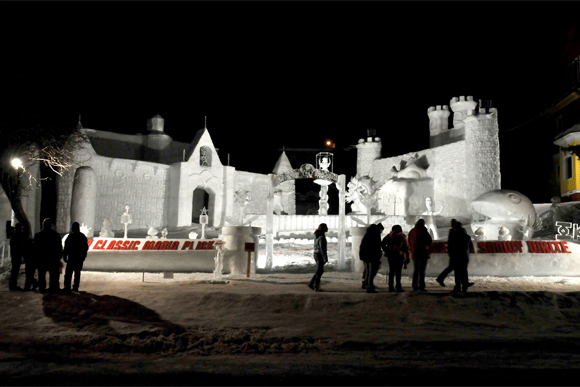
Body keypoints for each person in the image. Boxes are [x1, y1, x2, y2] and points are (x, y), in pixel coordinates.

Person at [34, 218, 63, 294]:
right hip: (52, 258)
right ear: (51, 225)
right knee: (53, 275)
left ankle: (42, 288)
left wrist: (36, 257)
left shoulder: (38, 235)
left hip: (42, 258)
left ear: (43, 225)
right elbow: (59, 247)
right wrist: (59, 257)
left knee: (41, 275)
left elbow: (35, 247)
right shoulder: (55, 235)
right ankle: (53, 288)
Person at [381, 225, 410, 292]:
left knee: (391, 271)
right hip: (400, 255)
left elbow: (383, 243)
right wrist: (407, 257)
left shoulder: (389, 236)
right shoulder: (402, 236)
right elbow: (407, 247)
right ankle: (398, 286)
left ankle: (391, 287)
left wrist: (387, 250)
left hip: (391, 255)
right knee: (398, 272)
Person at [63, 222, 89, 293]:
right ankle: (75, 287)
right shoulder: (82, 236)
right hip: (79, 258)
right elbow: (85, 248)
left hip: (71, 257)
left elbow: (66, 247)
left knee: (68, 273)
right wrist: (83, 257)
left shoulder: (70, 236)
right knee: (77, 273)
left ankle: (67, 287)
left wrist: (65, 256)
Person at [448, 221, 473, 293]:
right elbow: (470, 248)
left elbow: (452, 247)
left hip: (456, 256)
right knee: (464, 271)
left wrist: (451, 255)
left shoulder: (454, 236)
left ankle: (458, 287)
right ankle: (465, 286)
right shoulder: (467, 236)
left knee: (457, 272)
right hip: (465, 257)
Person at [408, 218, 433, 292]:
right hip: (423, 252)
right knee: (422, 270)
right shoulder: (423, 231)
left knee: (416, 270)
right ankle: (421, 286)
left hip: (414, 253)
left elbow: (409, 241)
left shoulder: (412, 231)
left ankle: (414, 285)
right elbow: (429, 240)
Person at [359, 223, 384, 293]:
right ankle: (369, 287)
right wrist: (378, 255)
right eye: (381, 230)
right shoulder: (376, 234)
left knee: (367, 271)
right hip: (372, 256)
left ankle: (366, 284)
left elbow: (362, 246)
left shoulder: (367, 234)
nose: (381, 232)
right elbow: (377, 246)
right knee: (371, 272)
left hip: (365, 255)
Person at [436, 219, 457, 287]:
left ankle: (440, 278)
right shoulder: (453, 232)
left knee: (452, 267)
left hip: (452, 252)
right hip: (454, 252)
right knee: (454, 267)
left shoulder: (451, 232)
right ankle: (440, 278)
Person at [308, 223, 328, 292]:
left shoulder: (317, 236)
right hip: (319, 255)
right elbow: (322, 248)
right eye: (326, 227)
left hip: (316, 254)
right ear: (323, 229)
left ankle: (312, 284)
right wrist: (325, 257)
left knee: (320, 270)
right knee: (320, 271)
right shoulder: (321, 237)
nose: (327, 229)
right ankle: (315, 285)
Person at [9, 223, 25, 291]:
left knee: (15, 271)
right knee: (15, 271)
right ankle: (13, 285)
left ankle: (13, 285)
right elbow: (20, 247)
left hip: (15, 255)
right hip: (16, 256)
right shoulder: (18, 236)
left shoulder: (14, 236)